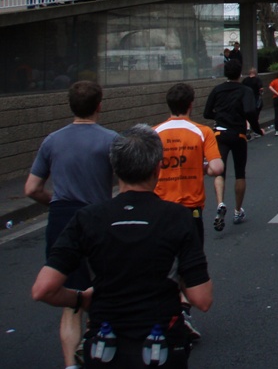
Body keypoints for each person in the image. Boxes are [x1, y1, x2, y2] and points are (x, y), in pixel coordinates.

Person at [31, 125, 213, 368]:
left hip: (106, 347)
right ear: (158, 167)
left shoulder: (87, 218)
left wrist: (80, 299)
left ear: (114, 169)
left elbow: (43, 289)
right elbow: (202, 299)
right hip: (160, 345)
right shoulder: (177, 217)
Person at [24, 81, 119, 369]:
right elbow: (127, 183)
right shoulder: (111, 140)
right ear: (99, 105)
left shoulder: (52, 140)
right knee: (101, 291)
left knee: (72, 302)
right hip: (98, 217)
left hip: (62, 219)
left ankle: (70, 364)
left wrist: (56, 201)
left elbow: (31, 189)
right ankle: (100, 351)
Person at [153, 83, 223, 341]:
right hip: (189, 209)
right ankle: (181, 313)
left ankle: (168, 314)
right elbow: (216, 167)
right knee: (188, 265)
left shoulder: (154, 133)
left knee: (163, 263)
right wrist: (199, 167)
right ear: (191, 104)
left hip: (159, 208)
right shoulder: (202, 132)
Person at [203, 60, 264, 230]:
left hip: (220, 133)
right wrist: (257, 129)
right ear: (240, 73)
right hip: (238, 134)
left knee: (219, 171)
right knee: (239, 173)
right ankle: (237, 210)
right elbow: (250, 111)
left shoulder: (217, 90)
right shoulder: (245, 91)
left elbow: (207, 112)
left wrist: (220, 115)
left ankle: (220, 203)